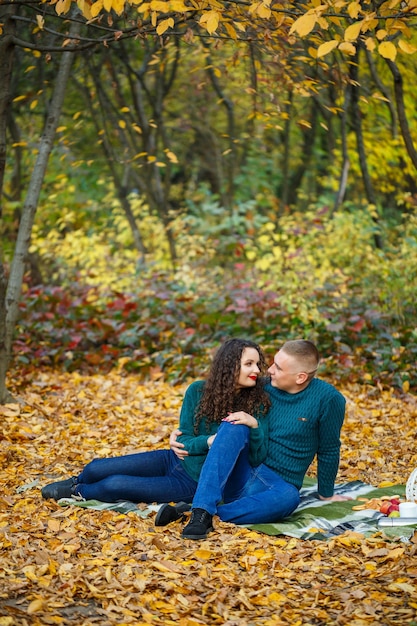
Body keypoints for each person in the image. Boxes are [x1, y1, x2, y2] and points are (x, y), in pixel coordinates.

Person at [41, 338, 271, 520]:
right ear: (229, 367)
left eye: (258, 364)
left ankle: (79, 492)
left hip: (192, 482)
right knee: (96, 467)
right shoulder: (198, 391)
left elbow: (257, 456)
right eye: (248, 364)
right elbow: (185, 439)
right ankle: (77, 480)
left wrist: (253, 426)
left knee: (114, 484)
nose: (256, 370)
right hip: (173, 459)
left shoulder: (257, 403)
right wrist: (208, 441)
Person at [165, 339, 349, 540]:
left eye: (277, 368)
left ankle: (193, 514)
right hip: (244, 468)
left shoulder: (329, 400)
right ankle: (200, 512)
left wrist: (326, 493)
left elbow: (329, 448)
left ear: (300, 377)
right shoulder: (262, 385)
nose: (268, 370)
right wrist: (183, 433)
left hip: (275, 485)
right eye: (272, 363)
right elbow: (219, 399)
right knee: (235, 424)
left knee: (289, 499)